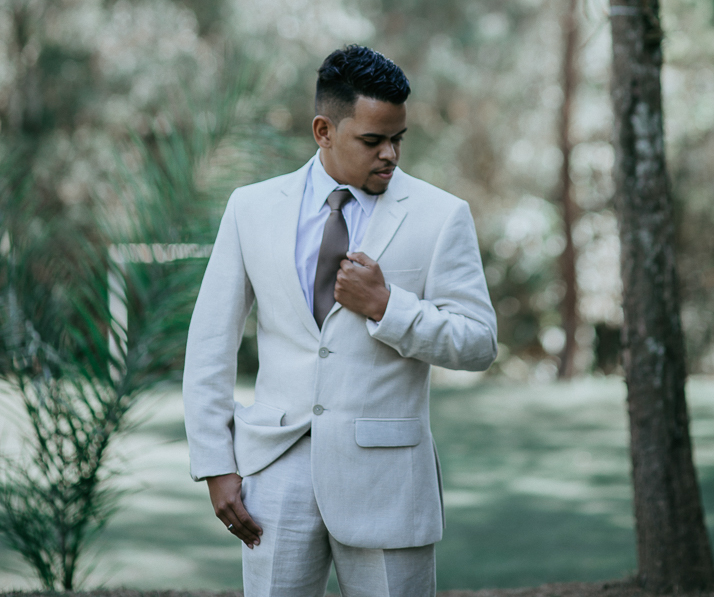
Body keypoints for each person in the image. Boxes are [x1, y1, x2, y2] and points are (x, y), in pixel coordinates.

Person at [183, 44, 497, 597]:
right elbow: (210, 343)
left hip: (388, 481)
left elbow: (478, 343)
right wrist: (216, 464)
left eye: (398, 139)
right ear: (323, 130)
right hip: (274, 473)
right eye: (373, 141)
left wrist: (387, 306)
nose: (391, 156)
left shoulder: (440, 215)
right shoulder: (251, 207)